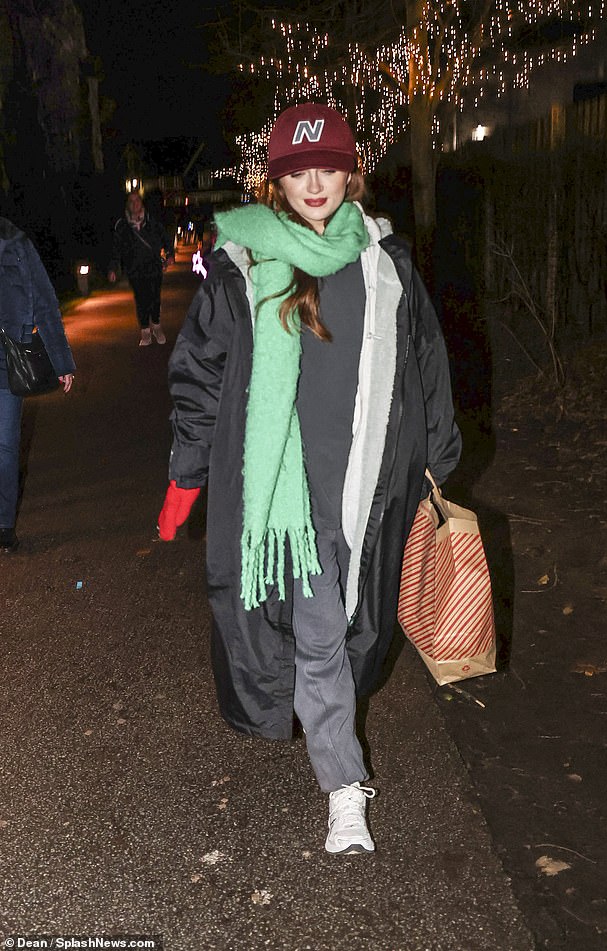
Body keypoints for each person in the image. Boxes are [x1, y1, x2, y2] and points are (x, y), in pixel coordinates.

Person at [157, 104, 461, 854]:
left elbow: (424, 365)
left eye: (327, 167)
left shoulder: (384, 264)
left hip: (366, 487)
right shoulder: (244, 264)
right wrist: (184, 475)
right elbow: (200, 375)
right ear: (278, 182)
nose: (315, 183)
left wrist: (438, 458)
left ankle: (334, 745)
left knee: (357, 633)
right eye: (298, 171)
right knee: (324, 636)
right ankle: (344, 789)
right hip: (286, 498)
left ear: (351, 171)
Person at [0, 217, 75, 553]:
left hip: (9, 362)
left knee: (5, 447)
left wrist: (61, 361)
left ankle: (3, 525)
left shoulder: (17, 243)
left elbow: (44, 301)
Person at [107, 192, 174, 346]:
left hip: (153, 266)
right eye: (131, 201)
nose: (135, 204)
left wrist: (170, 253)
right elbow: (116, 249)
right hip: (134, 269)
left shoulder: (152, 221)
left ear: (142, 203)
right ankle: (145, 331)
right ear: (128, 205)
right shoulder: (122, 225)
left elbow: (165, 238)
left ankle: (156, 326)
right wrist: (113, 268)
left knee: (155, 297)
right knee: (141, 299)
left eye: (137, 200)